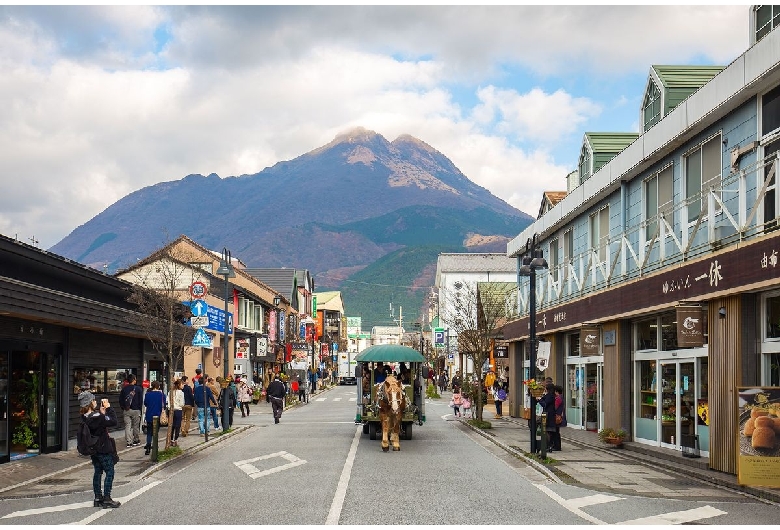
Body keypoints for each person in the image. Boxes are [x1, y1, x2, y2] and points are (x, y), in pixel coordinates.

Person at [79, 391, 121, 509]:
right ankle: (107, 498)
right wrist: (109, 408)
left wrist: (102, 413)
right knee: (110, 471)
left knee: (98, 471)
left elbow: (99, 422)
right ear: (90, 403)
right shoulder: (97, 417)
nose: (96, 402)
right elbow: (114, 421)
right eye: (93, 400)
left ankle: (98, 497)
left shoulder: (84, 417)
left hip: (93, 449)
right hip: (103, 448)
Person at [143, 380, 167, 455]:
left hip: (149, 415)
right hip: (158, 415)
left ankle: (148, 447)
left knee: (149, 432)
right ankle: (155, 446)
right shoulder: (162, 395)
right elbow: (164, 406)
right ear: (158, 386)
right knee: (156, 432)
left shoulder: (148, 394)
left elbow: (145, 404)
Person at [118, 374, 142, 448]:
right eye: (135, 379)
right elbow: (140, 400)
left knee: (127, 426)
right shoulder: (138, 389)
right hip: (136, 410)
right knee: (135, 426)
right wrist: (139, 409)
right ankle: (136, 440)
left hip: (126, 410)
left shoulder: (124, 389)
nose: (136, 380)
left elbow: (120, 400)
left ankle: (129, 442)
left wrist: (124, 407)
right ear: (134, 380)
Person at [536, 383, 557, 452]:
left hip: (549, 416)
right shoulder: (549, 395)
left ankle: (549, 446)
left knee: (547, 431)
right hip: (548, 415)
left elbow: (544, 404)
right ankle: (548, 445)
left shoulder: (550, 396)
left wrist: (539, 400)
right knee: (547, 431)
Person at [552, 385, 567, 451]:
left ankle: (557, 446)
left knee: (555, 432)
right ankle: (557, 446)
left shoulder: (558, 398)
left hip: (557, 417)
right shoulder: (560, 397)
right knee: (556, 432)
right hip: (558, 416)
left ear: (556, 391)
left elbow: (555, 407)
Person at [170, 379, 184, 446]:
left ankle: (171, 439)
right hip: (178, 410)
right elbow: (182, 403)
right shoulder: (181, 393)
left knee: (172, 425)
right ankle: (176, 439)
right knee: (177, 426)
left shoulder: (170, 392)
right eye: (182, 384)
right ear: (179, 385)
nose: (183, 385)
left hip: (171, 410)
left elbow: (168, 402)